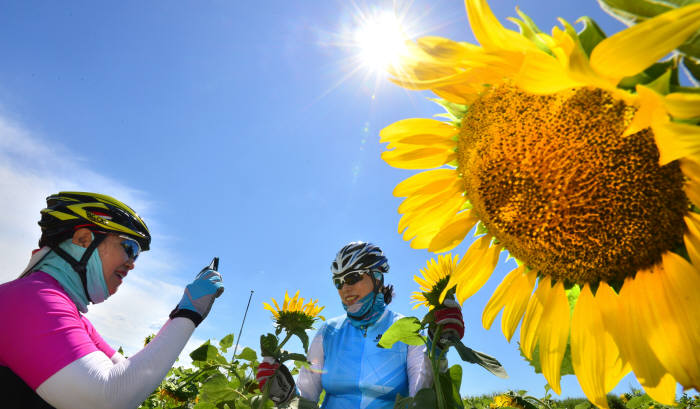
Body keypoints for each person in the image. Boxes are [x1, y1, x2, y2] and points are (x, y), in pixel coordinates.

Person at [0, 191, 224, 409]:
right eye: (130, 248)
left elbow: (128, 375)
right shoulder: (32, 297)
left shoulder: (71, 314)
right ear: (83, 239)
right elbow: (107, 399)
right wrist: (189, 311)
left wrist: (182, 311)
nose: (132, 263)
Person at [256, 241, 465, 409]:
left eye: (353, 278)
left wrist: (437, 347)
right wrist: (284, 395)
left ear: (377, 278)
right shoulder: (329, 332)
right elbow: (306, 397)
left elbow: (422, 395)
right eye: (338, 282)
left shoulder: (406, 329)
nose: (344, 288)